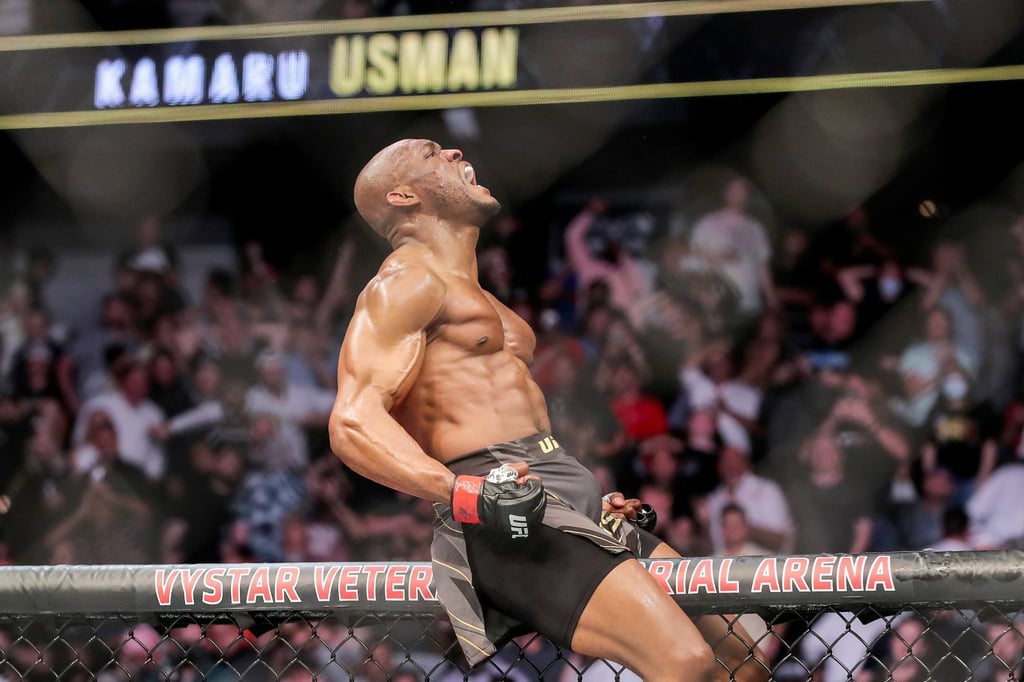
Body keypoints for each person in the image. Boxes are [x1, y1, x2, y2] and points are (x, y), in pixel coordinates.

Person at [329, 139, 767, 681]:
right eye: (431, 153)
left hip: (563, 483)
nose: (454, 151)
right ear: (402, 196)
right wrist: (461, 492)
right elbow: (352, 421)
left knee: (743, 662)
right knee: (686, 663)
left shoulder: (479, 295)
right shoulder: (405, 282)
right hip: (499, 496)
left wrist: (581, 490)